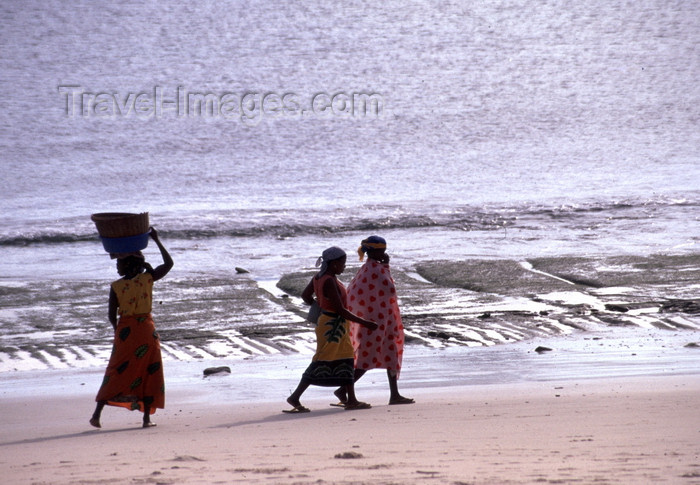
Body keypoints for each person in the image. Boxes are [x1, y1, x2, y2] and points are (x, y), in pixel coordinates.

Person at [90, 228, 174, 429]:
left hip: (125, 332)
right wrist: (156, 239)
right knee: (149, 370)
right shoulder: (147, 279)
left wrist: (118, 332)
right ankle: (145, 419)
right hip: (146, 330)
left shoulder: (116, 286)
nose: (117, 267)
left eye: (120, 263)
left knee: (115, 371)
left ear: (129, 264)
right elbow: (169, 263)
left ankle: (97, 415)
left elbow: (111, 314)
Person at [285, 246, 378, 413]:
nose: (343, 267)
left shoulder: (319, 278)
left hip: (329, 323)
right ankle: (295, 397)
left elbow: (306, 296)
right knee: (323, 360)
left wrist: (319, 307)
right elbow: (340, 310)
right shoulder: (328, 281)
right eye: (342, 263)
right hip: (332, 326)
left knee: (345, 358)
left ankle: (351, 399)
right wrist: (365, 322)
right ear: (334, 263)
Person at [335, 236, 414, 405]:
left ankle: (394, 394)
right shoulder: (376, 270)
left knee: (389, 353)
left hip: (380, 319)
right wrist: (386, 266)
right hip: (376, 322)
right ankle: (343, 390)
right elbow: (390, 289)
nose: (384, 254)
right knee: (369, 357)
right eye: (381, 251)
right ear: (373, 252)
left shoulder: (365, 270)